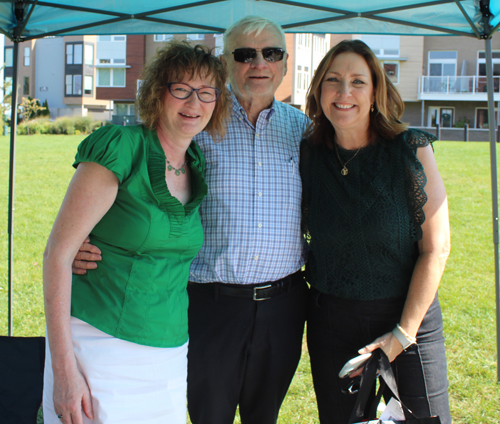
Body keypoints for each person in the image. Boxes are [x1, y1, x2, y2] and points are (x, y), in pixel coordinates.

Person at [73, 16, 310, 424]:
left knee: (265, 416)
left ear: (285, 64)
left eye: (271, 53)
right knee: (208, 416)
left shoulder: (304, 131)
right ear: (225, 61)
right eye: (245, 54)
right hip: (209, 306)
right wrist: (81, 239)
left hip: (283, 308)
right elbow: (127, 183)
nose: (259, 63)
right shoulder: (196, 120)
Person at [42, 40, 229, 424]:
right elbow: (58, 255)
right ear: (158, 94)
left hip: (169, 354)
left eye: (206, 92)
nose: (194, 102)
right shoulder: (121, 148)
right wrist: (64, 371)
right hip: (99, 344)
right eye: (181, 89)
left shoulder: (196, 163)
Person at [300, 39, 452, 424]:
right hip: (331, 322)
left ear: (375, 93)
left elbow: (436, 249)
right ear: (319, 91)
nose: (344, 92)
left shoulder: (409, 150)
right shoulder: (307, 155)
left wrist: (401, 335)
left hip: (407, 320)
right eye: (333, 80)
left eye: (358, 81)